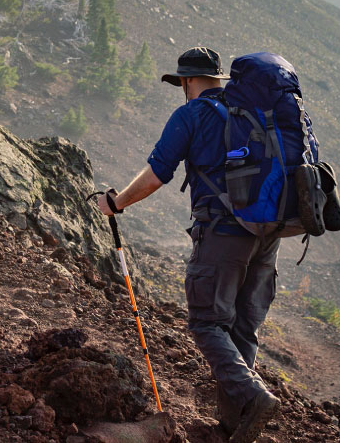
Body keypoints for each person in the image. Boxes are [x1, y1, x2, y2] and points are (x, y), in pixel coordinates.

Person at [96, 47, 281, 443]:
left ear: (185, 81)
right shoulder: (252, 113)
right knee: (242, 329)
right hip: (268, 236)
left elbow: (156, 174)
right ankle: (235, 426)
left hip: (223, 234)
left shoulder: (191, 115)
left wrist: (116, 203)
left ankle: (253, 397)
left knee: (207, 323)